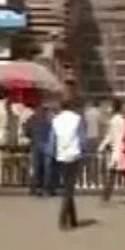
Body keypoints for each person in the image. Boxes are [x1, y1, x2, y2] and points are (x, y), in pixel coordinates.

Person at [48, 98, 86, 231]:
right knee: (69, 189)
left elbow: (52, 140)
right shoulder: (77, 119)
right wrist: (84, 152)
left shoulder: (55, 120)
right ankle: (62, 220)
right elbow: (82, 139)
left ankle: (73, 219)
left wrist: (51, 155)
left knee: (67, 187)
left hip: (61, 156)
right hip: (74, 155)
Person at [99, 99, 125, 203]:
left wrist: (102, 146)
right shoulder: (123, 120)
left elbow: (109, 136)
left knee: (112, 174)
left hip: (116, 150)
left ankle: (105, 196)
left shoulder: (112, 121)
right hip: (122, 150)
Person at [24, 104, 56, 196]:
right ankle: (47, 189)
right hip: (48, 146)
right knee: (48, 168)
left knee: (36, 167)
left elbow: (26, 132)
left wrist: (33, 138)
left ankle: (35, 188)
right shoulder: (50, 119)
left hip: (36, 145)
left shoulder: (32, 119)